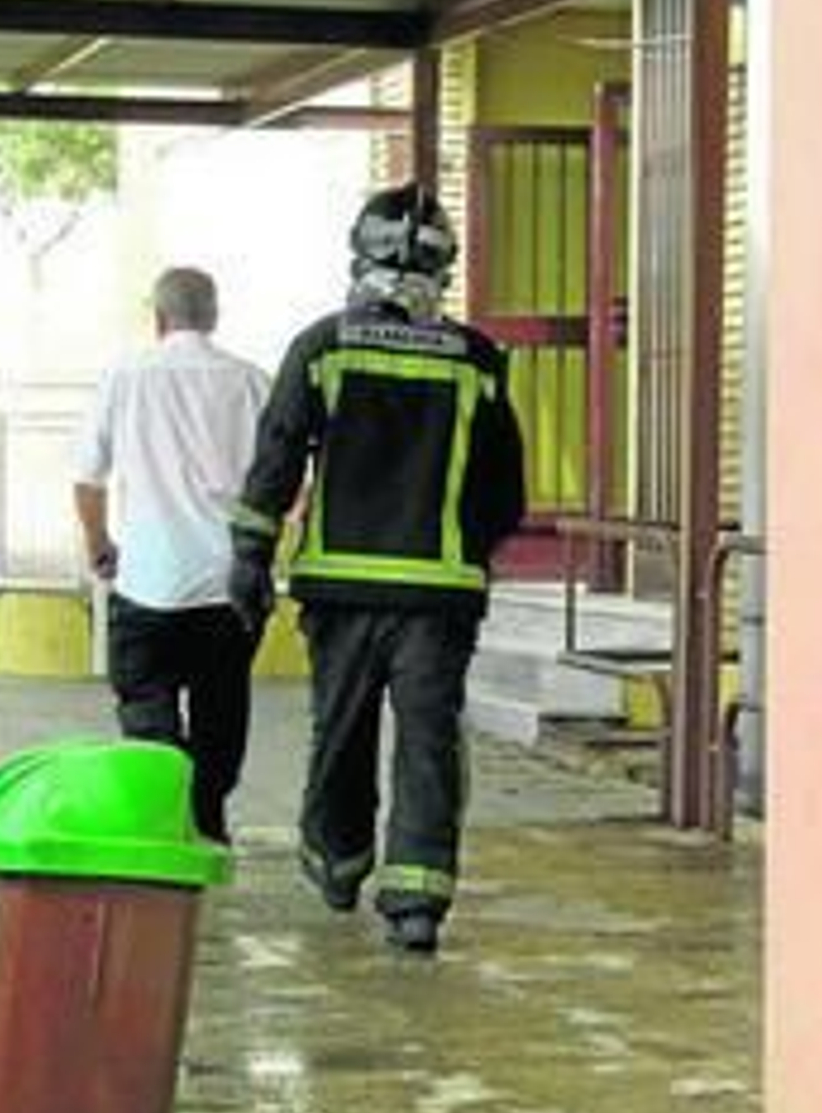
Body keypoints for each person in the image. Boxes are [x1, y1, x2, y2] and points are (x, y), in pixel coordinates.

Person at [229, 181, 525, 954]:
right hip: (439, 597)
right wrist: (464, 549)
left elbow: (277, 456)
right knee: (428, 741)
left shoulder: (323, 346)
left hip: (341, 591)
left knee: (342, 730)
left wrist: (250, 557)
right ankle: (416, 901)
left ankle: (338, 860)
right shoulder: (477, 359)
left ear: (358, 256)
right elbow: (506, 491)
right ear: (444, 268)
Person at [73, 266, 270, 846]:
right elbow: (288, 483)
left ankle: (164, 817)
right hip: (227, 584)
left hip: (147, 581)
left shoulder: (123, 376)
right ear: (214, 316)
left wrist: (99, 546)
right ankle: (206, 816)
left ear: (158, 318)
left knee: (145, 704)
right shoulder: (252, 382)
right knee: (222, 709)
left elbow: (87, 479)